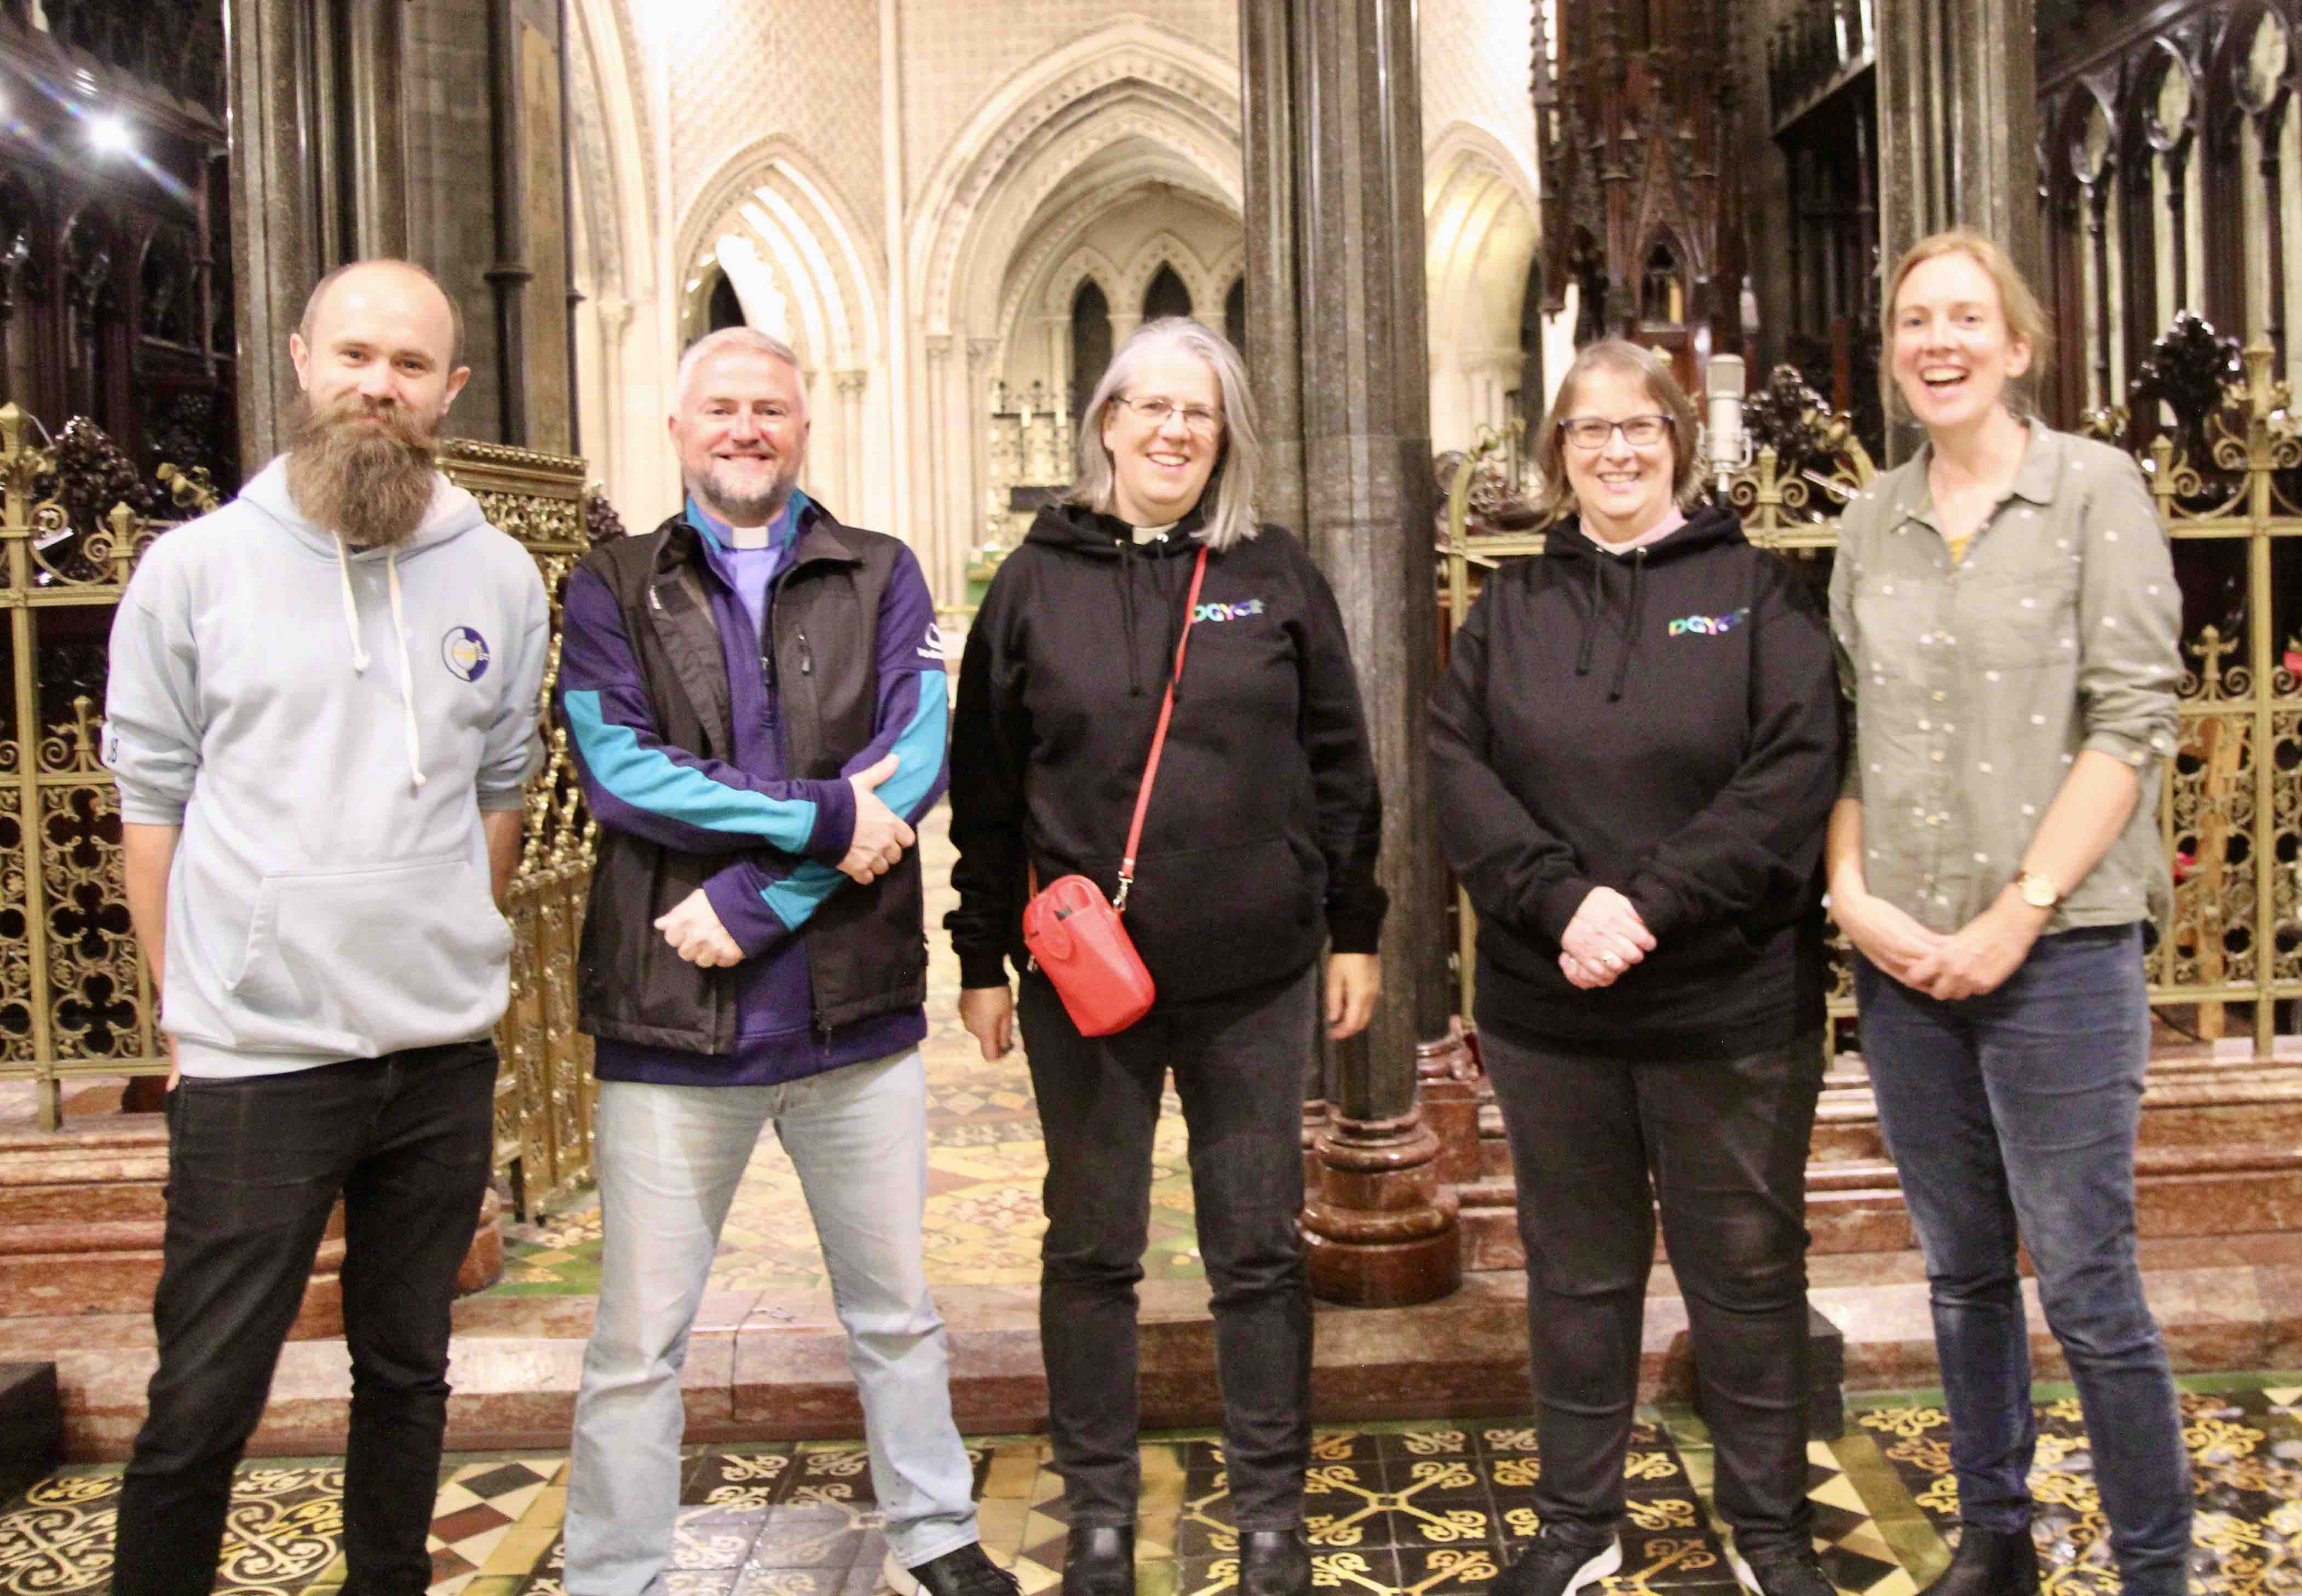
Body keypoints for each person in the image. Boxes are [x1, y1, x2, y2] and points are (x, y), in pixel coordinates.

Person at [101, 259, 551, 1595]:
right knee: (204, 1396)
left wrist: (442, 942)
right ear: (299, 361)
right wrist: (190, 1004)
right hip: (258, 1060)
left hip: (435, 1058)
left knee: (408, 1373)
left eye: (410, 367)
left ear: (449, 391)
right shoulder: (195, 571)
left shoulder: (502, 578)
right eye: (354, 355)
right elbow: (150, 808)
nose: (378, 385)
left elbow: (500, 797)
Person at [556, 326, 1015, 1596]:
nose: (745, 428)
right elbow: (620, 769)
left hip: (848, 1019)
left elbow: (915, 762)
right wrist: (819, 822)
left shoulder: (878, 573)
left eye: (768, 407)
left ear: (804, 426)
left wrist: (765, 899)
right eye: (721, 408)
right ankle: (613, 1570)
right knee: (639, 1340)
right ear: (677, 429)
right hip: (670, 1023)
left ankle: (935, 1534)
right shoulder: (613, 582)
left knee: (894, 1312)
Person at [947, 316, 1385, 1596]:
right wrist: (979, 952)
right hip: (1088, 988)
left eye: (1196, 412)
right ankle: (1095, 1513)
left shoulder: (1274, 572)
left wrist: (1352, 924)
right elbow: (985, 780)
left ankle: (1268, 1514)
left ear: (1224, 433)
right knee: (1091, 1248)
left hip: (1252, 978)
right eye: (1147, 406)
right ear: (1104, 422)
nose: (1171, 431)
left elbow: (1340, 767)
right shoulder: (1036, 578)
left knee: (1254, 1249)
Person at [1430, 338, 1841, 1596]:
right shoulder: (1508, 607)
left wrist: (1644, 905)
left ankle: (1767, 1529)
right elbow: (1458, 773)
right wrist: (1563, 905)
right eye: (1588, 430)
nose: (1614, 450)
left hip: (1728, 1005)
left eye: (1638, 428)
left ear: (1677, 440)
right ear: (1556, 452)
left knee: (1747, 1277)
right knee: (1578, 1272)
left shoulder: (1759, 593)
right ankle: (1577, 1523)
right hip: (1554, 1009)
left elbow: (1789, 773)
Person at [1827, 229, 2191, 1596]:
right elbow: (1848, 735)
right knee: (1961, 1270)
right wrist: (1851, 896)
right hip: (1904, 953)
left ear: (2016, 346)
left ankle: (2153, 1566)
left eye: (1964, 319)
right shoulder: (1875, 516)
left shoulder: (2092, 491)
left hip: (2064, 951)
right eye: (1914, 321)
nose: (1937, 342)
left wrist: (2020, 911)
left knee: (2088, 1286)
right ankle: (1997, 1540)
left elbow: (2131, 721)